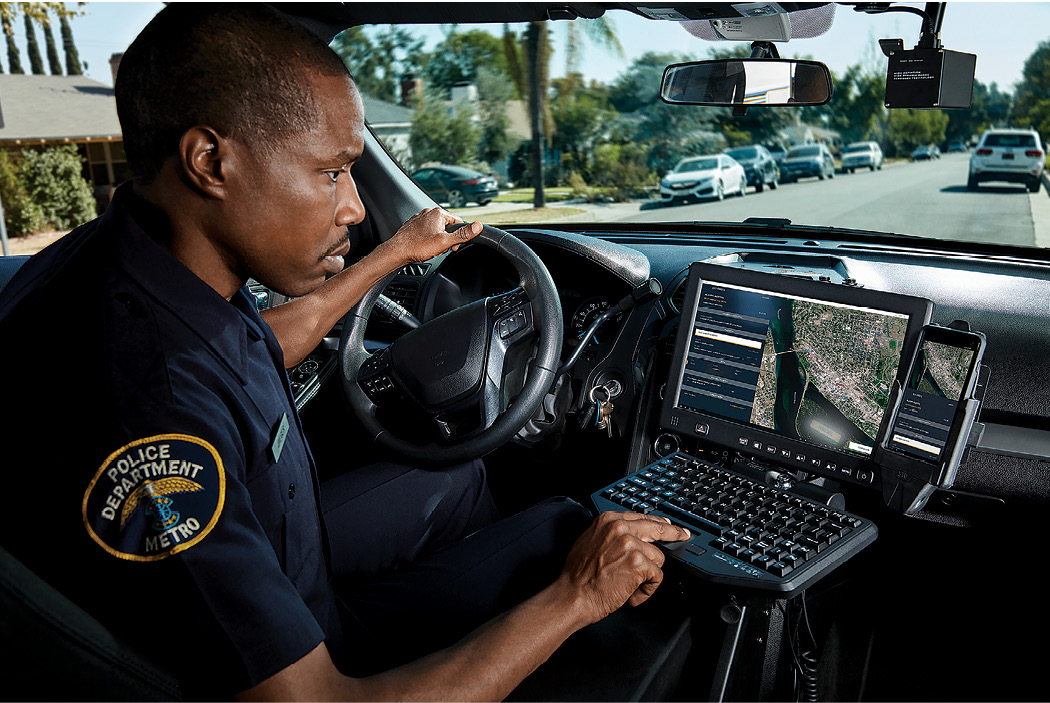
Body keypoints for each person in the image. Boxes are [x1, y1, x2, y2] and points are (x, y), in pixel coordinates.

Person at [0, 4, 690, 701]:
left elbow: (258, 343)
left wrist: (394, 254)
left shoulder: (139, 260)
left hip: (282, 555)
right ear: (210, 161)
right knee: (568, 531)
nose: (356, 207)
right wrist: (574, 596)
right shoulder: (151, 410)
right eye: (332, 173)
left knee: (454, 476)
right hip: (303, 661)